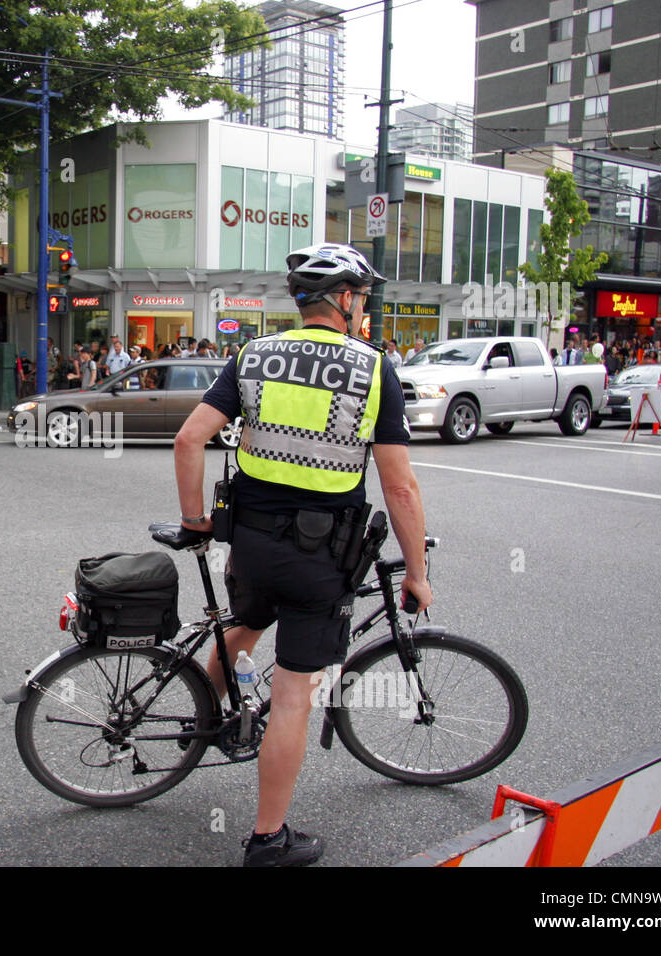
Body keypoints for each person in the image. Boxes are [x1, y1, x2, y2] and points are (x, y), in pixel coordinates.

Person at [173, 243, 430, 868]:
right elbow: (398, 485)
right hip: (321, 557)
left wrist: (195, 521)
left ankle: (209, 721)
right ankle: (268, 840)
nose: (363, 308)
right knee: (292, 698)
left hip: (251, 546)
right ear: (345, 300)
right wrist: (417, 571)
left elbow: (189, 440)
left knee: (244, 627)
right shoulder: (373, 369)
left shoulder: (254, 354)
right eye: (362, 297)